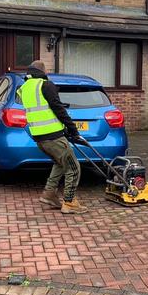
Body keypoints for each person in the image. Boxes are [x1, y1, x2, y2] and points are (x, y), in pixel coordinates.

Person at [18, 60, 86, 214]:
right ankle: (69, 202)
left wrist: (64, 130)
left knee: (60, 163)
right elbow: (58, 108)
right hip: (53, 137)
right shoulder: (45, 85)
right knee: (74, 168)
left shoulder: (24, 88)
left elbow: (43, 112)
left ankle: (49, 194)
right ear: (42, 71)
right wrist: (73, 129)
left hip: (40, 138)